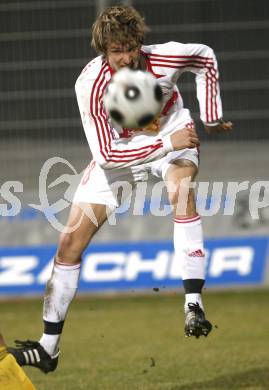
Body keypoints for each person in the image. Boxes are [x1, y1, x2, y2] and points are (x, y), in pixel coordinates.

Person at [8, 5, 232, 373]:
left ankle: (193, 303)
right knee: (68, 244)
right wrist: (167, 143)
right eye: (116, 51)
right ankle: (49, 348)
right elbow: (108, 155)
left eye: (130, 47)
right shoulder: (90, 84)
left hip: (171, 136)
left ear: (139, 43)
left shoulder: (164, 57)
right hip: (125, 155)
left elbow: (204, 57)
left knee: (181, 190)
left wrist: (210, 116)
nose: (126, 57)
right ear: (103, 51)